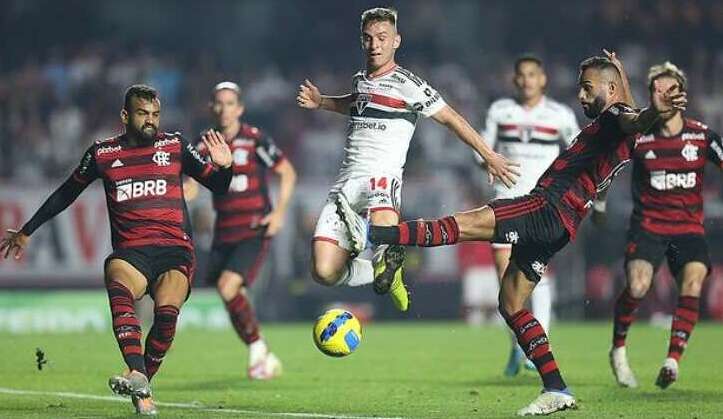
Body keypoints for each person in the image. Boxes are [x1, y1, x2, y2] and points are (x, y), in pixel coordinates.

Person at [338, 51, 687, 415]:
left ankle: (371, 234)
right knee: (511, 304)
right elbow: (632, 117)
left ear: (610, 89)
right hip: (563, 225)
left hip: (545, 207)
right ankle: (556, 388)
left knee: (465, 224)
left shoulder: (616, 118)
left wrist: (653, 109)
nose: (581, 96)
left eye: (587, 89)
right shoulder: (620, 127)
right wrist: (629, 85)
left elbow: (632, 117)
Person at [0, 85, 233, 415]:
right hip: (132, 252)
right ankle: (138, 378)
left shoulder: (176, 146)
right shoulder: (102, 154)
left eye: (155, 115)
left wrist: (226, 167)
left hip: (175, 251)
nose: (150, 121)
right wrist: (26, 231)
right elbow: (66, 193)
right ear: (125, 116)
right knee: (117, 277)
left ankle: (141, 381)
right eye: (142, 114)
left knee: (166, 318)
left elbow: (220, 186)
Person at [296, 7, 519, 312]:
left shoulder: (408, 84)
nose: (375, 44)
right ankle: (378, 270)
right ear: (362, 41)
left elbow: (451, 118)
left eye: (382, 38)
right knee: (323, 272)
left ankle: (388, 258)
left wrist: (488, 154)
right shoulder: (360, 79)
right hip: (346, 183)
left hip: (382, 178)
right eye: (369, 38)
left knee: (384, 230)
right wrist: (322, 102)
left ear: (396, 41)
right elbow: (356, 104)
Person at [596, 62, 723, 389]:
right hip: (648, 226)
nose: (664, 96)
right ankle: (619, 349)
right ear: (650, 96)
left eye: (671, 91)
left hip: (688, 229)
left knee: (692, 282)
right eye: (657, 91)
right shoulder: (640, 138)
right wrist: (598, 202)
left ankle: (672, 360)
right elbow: (608, 167)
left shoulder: (703, 135)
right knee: (637, 286)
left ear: (683, 95)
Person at [481, 55, 580, 376]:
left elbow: (579, 153)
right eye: (521, 75)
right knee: (506, 283)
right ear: (515, 80)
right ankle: (516, 345)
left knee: (538, 276)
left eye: (532, 75)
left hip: (542, 205)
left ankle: (540, 345)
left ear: (543, 79)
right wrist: (487, 163)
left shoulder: (560, 116)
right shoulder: (500, 111)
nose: (526, 80)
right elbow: (481, 148)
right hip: (506, 200)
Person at [194, 81, 297, 380]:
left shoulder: (254, 140)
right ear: (211, 107)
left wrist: (278, 213)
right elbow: (189, 184)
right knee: (228, 293)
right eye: (218, 103)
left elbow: (287, 172)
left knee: (228, 288)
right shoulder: (204, 145)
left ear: (239, 109)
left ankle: (257, 351)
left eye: (229, 103)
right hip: (223, 232)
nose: (223, 109)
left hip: (254, 228)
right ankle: (263, 351)